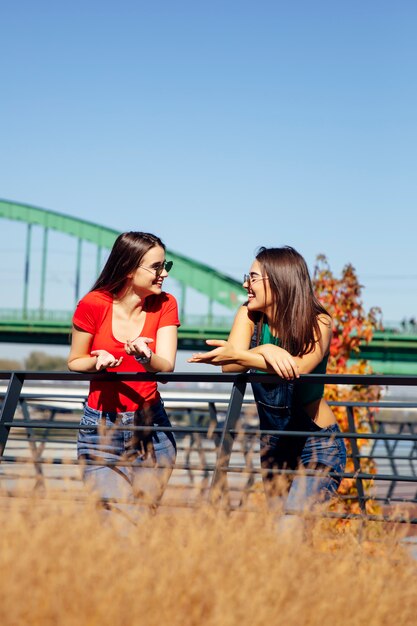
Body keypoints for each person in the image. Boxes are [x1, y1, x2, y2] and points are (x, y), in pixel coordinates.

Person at [188, 246, 346, 522]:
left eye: (252, 278)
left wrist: (250, 354)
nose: (244, 284)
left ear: (278, 281)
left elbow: (298, 367)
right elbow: (231, 365)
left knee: (290, 527)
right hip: (274, 445)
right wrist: (265, 351)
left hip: (317, 443)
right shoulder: (249, 315)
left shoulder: (318, 320)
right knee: (284, 534)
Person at [68, 231, 180, 523]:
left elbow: (166, 365)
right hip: (101, 432)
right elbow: (75, 361)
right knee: (120, 527)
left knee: (140, 524)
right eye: (156, 267)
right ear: (130, 269)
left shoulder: (165, 304)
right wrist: (97, 362)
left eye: (165, 266)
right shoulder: (93, 304)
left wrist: (145, 357)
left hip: (152, 429)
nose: (163, 274)